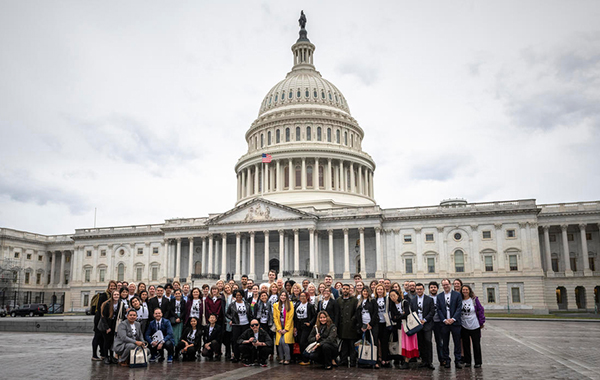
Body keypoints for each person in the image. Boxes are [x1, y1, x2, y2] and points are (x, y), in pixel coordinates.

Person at [436, 278, 463, 369]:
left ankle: (458, 360)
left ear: (450, 284)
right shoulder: (439, 296)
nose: (445, 286)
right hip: (444, 324)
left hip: (455, 323)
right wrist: (444, 320)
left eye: (446, 284)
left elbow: (459, 308)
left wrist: (453, 319)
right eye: (443, 285)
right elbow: (438, 309)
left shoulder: (457, 295)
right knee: (445, 344)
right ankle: (447, 360)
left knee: (457, 343)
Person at [411, 283, 435, 370]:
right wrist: (417, 320)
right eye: (417, 289)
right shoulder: (413, 300)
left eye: (420, 289)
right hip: (418, 325)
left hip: (427, 324)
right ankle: (423, 361)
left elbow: (432, 311)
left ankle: (429, 362)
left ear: (423, 289)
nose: (419, 291)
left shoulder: (429, 299)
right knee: (420, 343)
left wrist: (425, 319)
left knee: (428, 342)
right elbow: (412, 312)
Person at [460, 285, 485, 368]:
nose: (465, 291)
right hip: (464, 325)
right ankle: (468, 361)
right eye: (463, 290)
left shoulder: (474, 300)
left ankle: (478, 362)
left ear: (469, 291)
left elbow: (480, 310)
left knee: (476, 345)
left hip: (474, 325)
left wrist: (481, 322)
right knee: (466, 345)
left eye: (466, 290)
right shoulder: (460, 300)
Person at [92, 280, 116, 361]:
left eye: (114, 286)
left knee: (104, 337)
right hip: (100, 318)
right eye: (111, 286)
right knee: (97, 336)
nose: (112, 287)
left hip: (107, 319)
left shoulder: (113, 296)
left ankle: (102, 354)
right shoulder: (103, 295)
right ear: (108, 287)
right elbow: (99, 308)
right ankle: (94, 355)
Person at [226, 289, 251, 363]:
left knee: (245, 340)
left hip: (245, 324)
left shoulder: (247, 304)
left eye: (240, 295)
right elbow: (227, 314)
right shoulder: (232, 305)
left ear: (242, 296)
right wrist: (232, 319)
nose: (238, 297)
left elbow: (250, 314)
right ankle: (236, 356)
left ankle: (244, 356)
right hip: (236, 325)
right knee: (235, 341)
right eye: (237, 295)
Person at [356, 287, 379, 368]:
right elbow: (358, 314)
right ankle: (365, 359)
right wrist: (362, 325)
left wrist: (371, 324)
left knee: (374, 342)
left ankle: (375, 360)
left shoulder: (372, 301)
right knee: (365, 342)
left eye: (366, 291)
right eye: (364, 291)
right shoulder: (360, 301)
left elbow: (375, 313)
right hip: (363, 324)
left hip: (372, 324)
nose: (365, 293)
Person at [337, 284, 358, 367]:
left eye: (347, 289)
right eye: (344, 289)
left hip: (351, 327)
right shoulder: (338, 300)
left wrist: (352, 320)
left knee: (352, 345)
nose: (345, 290)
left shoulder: (354, 300)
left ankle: (353, 361)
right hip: (342, 327)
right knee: (344, 345)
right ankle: (343, 360)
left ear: (350, 290)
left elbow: (356, 312)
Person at [294, 291, 316, 365]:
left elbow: (314, 316)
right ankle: (301, 358)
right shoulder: (297, 305)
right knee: (299, 341)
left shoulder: (310, 306)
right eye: (301, 296)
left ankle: (306, 359)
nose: (302, 298)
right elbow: (295, 316)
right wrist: (295, 327)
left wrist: (310, 323)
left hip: (306, 325)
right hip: (299, 325)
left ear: (307, 297)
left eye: (304, 296)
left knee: (303, 342)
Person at [273, 290, 295, 365]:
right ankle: (281, 358)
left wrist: (286, 329)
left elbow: (290, 317)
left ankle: (287, 358)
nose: (283, 297)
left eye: (284, 295)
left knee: (284, 341)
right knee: (279, 342)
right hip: (279, 327)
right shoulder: (275, 305)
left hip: (288, 327)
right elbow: (275, 317)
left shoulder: (290, 305)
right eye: (281, 295)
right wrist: (279, 328)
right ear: (279, 296)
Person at [100, 290, 121, 365]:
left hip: (114, 326)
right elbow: (104, 317)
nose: (116, 296)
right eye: (115, 295)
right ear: (112, 296)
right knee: (106, 342)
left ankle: (112, 356)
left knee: (113, 342)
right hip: (107, 325)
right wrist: (107, 328)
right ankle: (106, 356)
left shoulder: (120, 304)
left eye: (117, 295)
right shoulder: (108, 304)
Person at [374, 284, 391, 367]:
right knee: (378, 341)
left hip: (385, 322)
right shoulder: (374, 299)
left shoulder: (386, 298)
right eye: (378, 289)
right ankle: (379, 358)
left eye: (381, 289)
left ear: (383, 290)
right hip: (377, 322)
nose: (379, 291)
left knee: (385, 341)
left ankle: (385, 358)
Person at [428, 281, 444, 365]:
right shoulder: (427, 298)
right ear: (429, 289)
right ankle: (428, 361)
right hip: (429, 323)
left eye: (434, 287)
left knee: (440, 342)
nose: (433, 289)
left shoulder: (441, 297)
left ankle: (442, 359)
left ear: (437, 288)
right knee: (428, 342)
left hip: (439, 322)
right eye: (431, 287)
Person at [222, 283, 234, 360]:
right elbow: (225, 310)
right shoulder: (224, 297)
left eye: (228, 288)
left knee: (233, 337)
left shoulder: (234, 296)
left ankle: (233, 353)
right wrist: (228, 319)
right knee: (227, 337)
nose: (227, 289)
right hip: (227, 320)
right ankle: (228, 353)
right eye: (225, 288)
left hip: (234, 320)